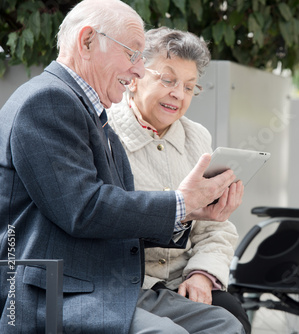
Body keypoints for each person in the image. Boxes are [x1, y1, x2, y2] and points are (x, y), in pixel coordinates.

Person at [0, 0, 245, 333]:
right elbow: (83, 209)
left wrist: (190, 213)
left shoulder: (92, 113)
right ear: (87, 41)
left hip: (103, 281)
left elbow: (116, 216)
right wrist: (180, 204)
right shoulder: (46, 101)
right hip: (57, 292)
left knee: (222, 324)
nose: (139, 70)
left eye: (189, 86)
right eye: (132, 54)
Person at [107, 27, 251, 333]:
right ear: (134, 78)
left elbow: (216, 228)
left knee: (234, 315)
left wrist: (202, 273)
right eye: (168, 80)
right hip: (126, 283)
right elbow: (107, 216)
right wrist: (180, 211)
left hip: (181, 279)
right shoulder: (105, 134)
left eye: (189, 87)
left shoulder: (197, 137)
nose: (178, 94)